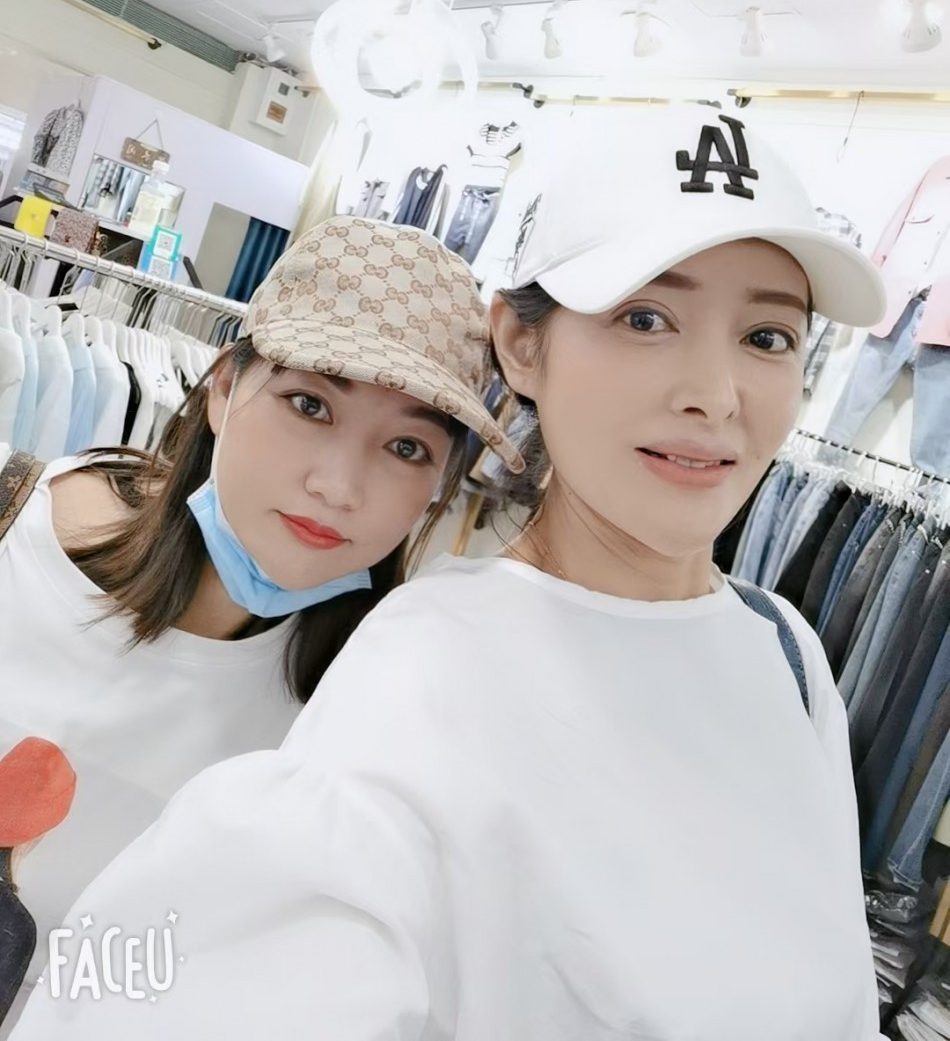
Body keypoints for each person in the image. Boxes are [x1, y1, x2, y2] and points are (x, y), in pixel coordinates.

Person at [12, 109, 889, 1041]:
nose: (715, 396)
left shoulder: (787, 651)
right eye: (645, 318)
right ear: (521, 344)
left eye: (768, 336)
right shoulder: (415, 684)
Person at [0, 215, 521, 1036]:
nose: (339, 485)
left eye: (407, 448)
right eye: (309, 403)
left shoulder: (355, 728)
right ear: (222, 387)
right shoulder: (15, 536)